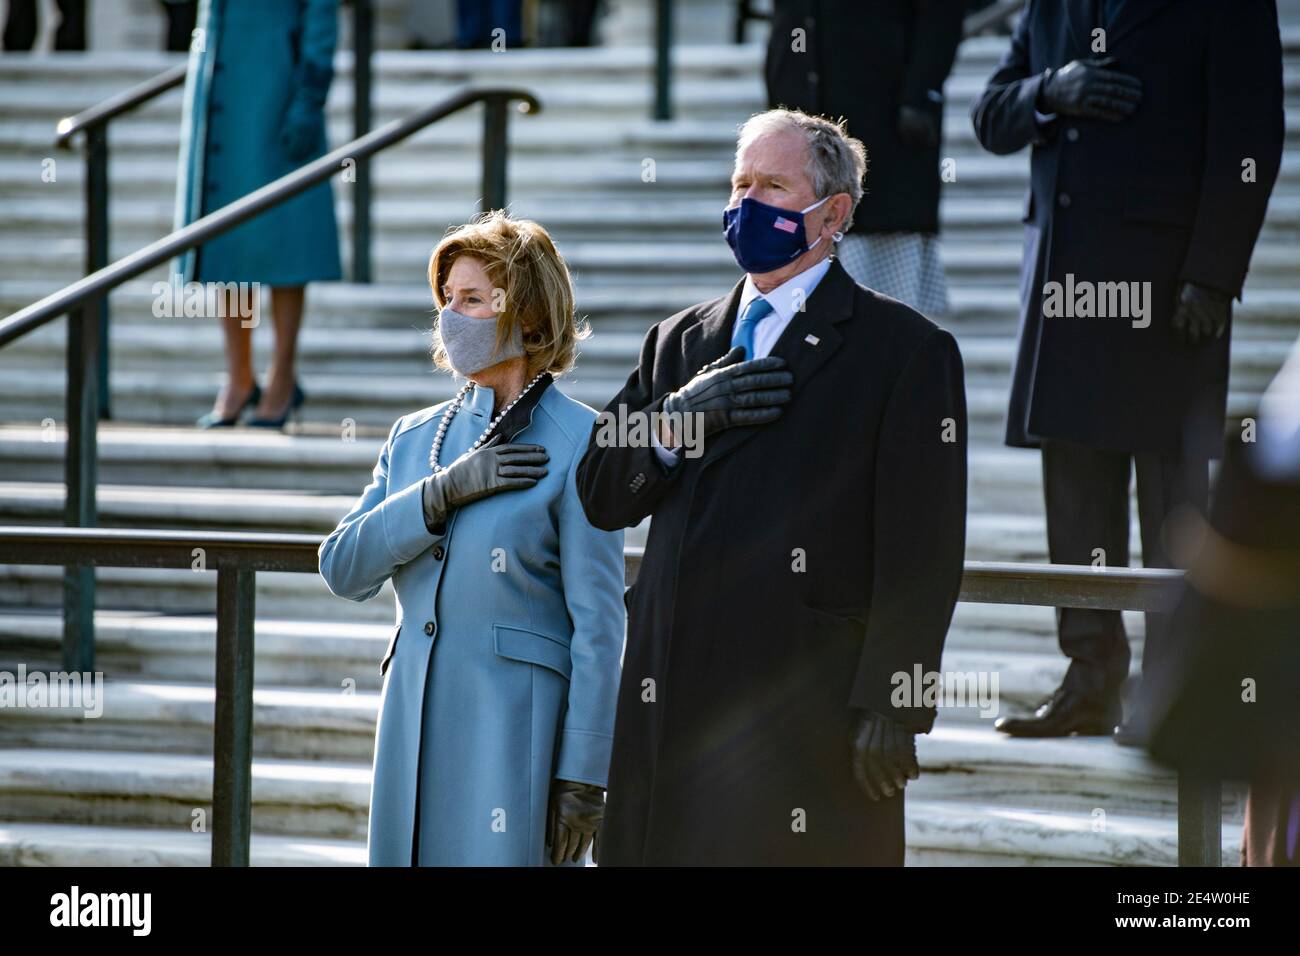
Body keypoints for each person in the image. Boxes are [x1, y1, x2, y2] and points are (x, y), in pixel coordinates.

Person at [577, 109, 968, 865]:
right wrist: (671, 422)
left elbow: (924, 547)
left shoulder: (906, 351)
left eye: (773, 186)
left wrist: (895, 704)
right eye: (739, 184)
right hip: (674, 700)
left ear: (834, 214)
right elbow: (601, 491)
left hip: (803, 705)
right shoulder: (680, 341)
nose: (747, 204)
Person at [969, 0, 1284, 740]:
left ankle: (1177, 690)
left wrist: (1213, 273)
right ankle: (1090, 681)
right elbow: (991, 115)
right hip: (1064, 282)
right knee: (1076, 489)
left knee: (1176, 502)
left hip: (1168, 286)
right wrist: (1051, 89)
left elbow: (1251, 136)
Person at [319, 212, 625, 866]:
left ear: (530, 313)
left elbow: (599, 625)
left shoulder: (584, 441)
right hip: (412, 728)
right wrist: (439, 493)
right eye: (446, 301)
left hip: (515, 743)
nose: (452, 316)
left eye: (473, 300)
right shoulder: (414, 437)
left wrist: (584, 772)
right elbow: (343, 568)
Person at [173, 0, 343, 430]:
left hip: (277, 94)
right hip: (221, 98)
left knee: (286, 236)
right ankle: (239, 377)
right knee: (229, 242)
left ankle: (281, 378)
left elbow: (322, 16)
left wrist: (309, 97)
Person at [765, 0, 964, 318]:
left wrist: (922, 92)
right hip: (803, 123)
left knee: (885, 307)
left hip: (884, 122)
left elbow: (940, 15)